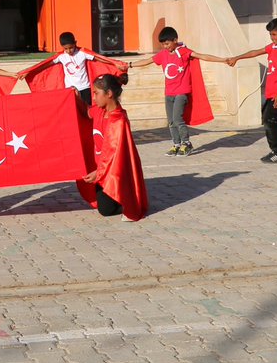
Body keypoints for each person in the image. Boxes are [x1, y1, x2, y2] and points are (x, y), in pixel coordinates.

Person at [127, 26, 228, 156]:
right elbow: (147, 61)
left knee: (177, 119)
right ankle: (176, 144)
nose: (165, 46)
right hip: (169, 93)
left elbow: (202, 56)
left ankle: (186, 143)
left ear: (175, 40)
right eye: (163, 44)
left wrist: (223, 60)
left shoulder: (183, 52)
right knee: (170, 121)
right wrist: (129, 65)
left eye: (167, 43)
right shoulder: (163, 54)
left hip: (181, 92)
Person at [76, 73, 147, 222]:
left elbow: (112, 154)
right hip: (102, 170)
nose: (93, 97)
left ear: (109, 94)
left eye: (96, 93)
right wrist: (75, 97)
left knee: (106, 210)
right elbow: (86, 112)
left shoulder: (118, 121)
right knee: (103, 205)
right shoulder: (100, 111)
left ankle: (130, 202)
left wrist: (98, 173)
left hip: (115, 171)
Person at [228, 18, 277, 163]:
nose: (272, 38)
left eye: (275, 35)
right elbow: (255, 52)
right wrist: (237, 57)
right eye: (271, 35)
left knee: (270, 120)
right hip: (271, 92)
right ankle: (276, 151)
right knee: (270, 120)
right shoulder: (273, 47)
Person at [18, 31, 127, 105]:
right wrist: (30, 71)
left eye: (71, 47)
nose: (69, 51)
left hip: (85, 88)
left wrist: (114, 63)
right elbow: (44, 65)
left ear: (75, 43)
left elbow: (98, 58)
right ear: (62, 47)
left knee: (87, 110)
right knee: (72, 111)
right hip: (70, 90)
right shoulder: (61, 56)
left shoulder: (82, 53)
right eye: (66, 48)